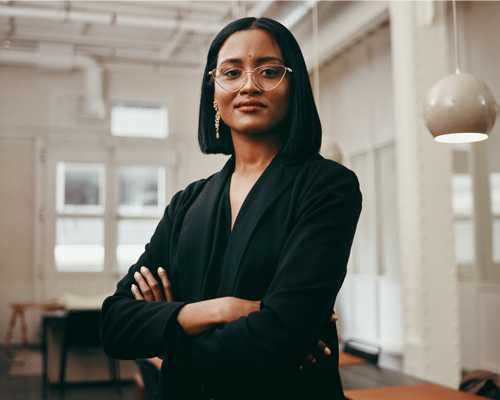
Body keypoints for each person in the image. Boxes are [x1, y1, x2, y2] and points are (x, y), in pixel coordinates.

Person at [100, 17, 361, 400]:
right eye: (231, 72)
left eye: (269, 71)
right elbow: (115, 325)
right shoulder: (187, 203)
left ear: (294, 86)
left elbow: (283, 335)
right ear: (213, 89)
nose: (249, 85)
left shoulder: (327, 186)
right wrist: (221, 310)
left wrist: (168, 330)